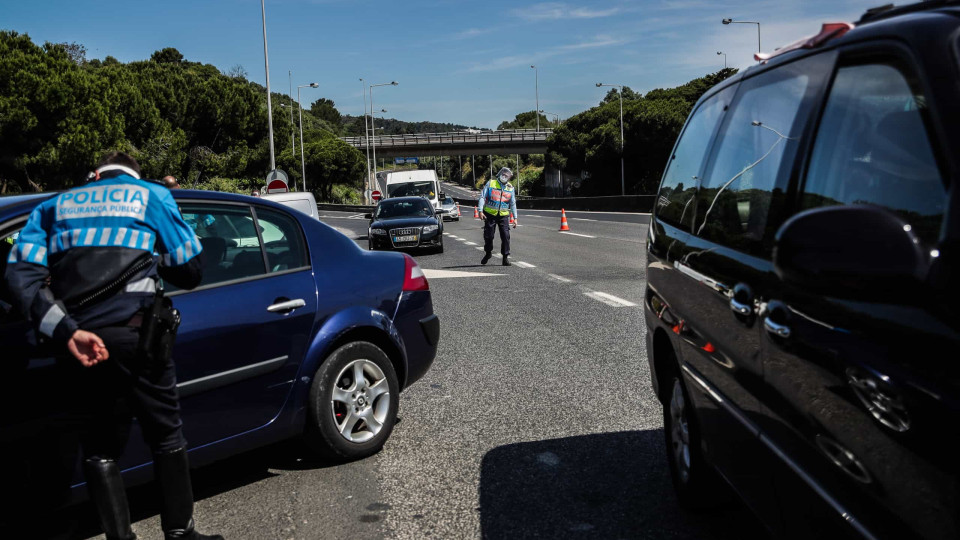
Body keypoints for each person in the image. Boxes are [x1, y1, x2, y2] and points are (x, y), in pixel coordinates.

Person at [3, 152, 222, 540]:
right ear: (135, 175)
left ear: (95, 174)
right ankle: (180, 533)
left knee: (99, 447)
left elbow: (20, 277)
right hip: (138, 336)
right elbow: (189, 270)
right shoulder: (150, 196)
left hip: (80, 343)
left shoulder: (53, 206)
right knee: (166, 436)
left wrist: (66, 331)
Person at [477, 167, 518, 266]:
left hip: (503, 215)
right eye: (503, 174)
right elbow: (483, 196)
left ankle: (505, 257)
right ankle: (488, 253)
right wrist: (480, 210)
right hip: (490, 214)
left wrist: (515, 218)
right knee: (488, 236)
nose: (504, 176)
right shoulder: (491, 183)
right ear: (500, 174)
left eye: (507, 175)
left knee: (505, 236)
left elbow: (512, 203)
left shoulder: (510, 188)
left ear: (509, 178)